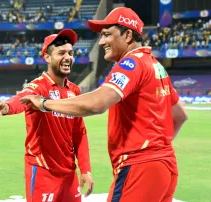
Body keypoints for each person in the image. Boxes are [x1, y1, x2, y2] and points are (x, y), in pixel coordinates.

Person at [20, 7, 188, 202]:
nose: (101, 42)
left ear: (127, 35)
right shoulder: (156, 66)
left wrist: (44, 103)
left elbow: (97, 103)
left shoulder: (130, 64)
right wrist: (157, 149)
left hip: (139, 168)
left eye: (107, 34)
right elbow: (181, 115)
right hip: (166, 166)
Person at [0, 29, 94, 202]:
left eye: (71, 53)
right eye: (61, 53)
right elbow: (22, 98)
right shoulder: (38, 87)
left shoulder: (74, 90)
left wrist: (86, 169)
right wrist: (7, 106)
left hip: (69, 174)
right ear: (47, 57)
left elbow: (79, 133)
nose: (68, 57)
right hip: (43, 171)